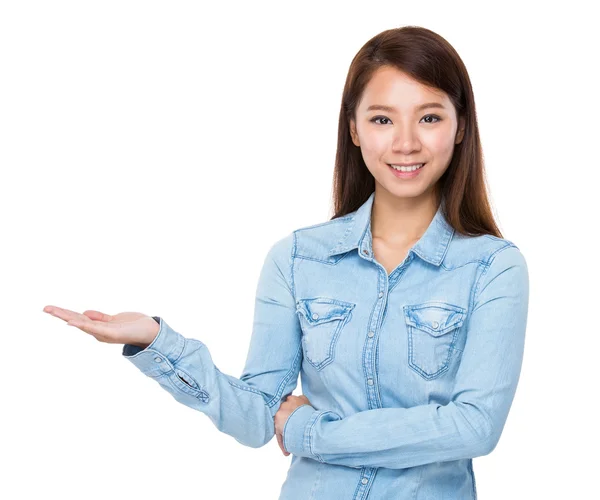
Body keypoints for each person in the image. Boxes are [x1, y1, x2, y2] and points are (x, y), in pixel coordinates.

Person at [42, 25, 529, 500]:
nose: (405, 142)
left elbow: (474, 427)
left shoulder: (493, 268)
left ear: (460, 125)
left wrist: (312, 433)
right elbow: (258, 416)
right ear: (354, 129)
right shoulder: (298, 258)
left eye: (429, 118)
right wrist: (156, 341)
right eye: (382, 119)